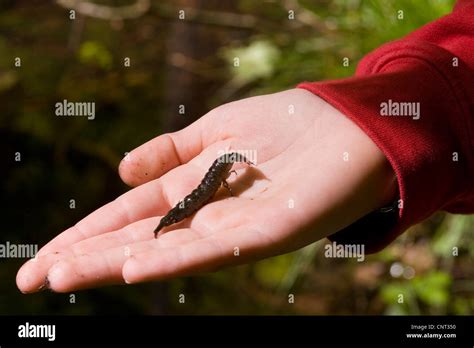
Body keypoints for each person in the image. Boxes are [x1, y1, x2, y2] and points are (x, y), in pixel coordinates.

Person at [17, 0, 473, 293]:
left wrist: (420, 110)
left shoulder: (229, 172)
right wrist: (434, 104)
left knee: (190, 202)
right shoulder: (217, 178)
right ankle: (167, 224)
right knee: (185, 206)